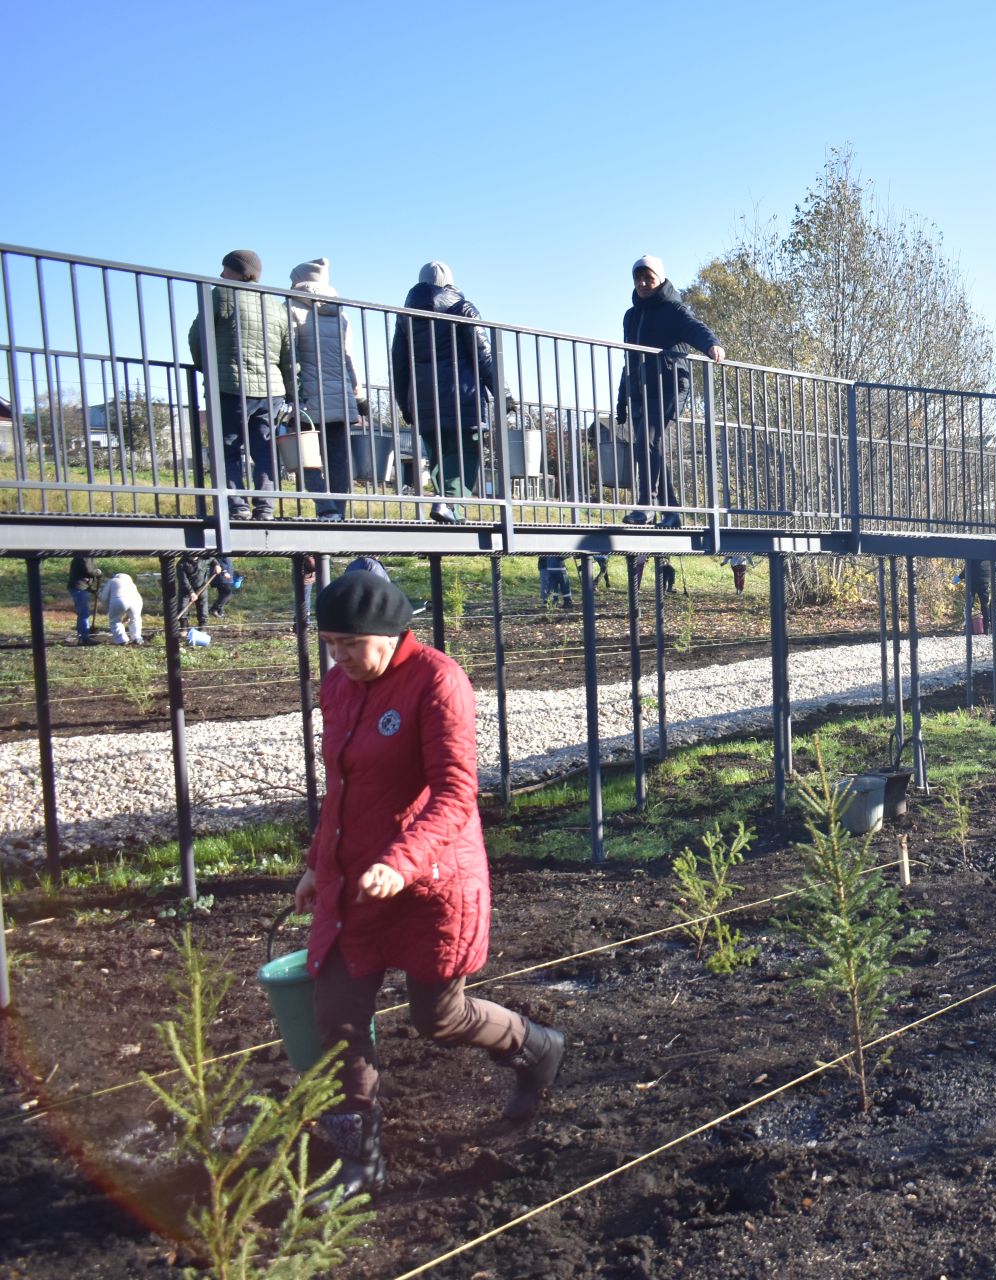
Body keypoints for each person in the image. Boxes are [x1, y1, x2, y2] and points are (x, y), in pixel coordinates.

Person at [297, 572, 566, 1201]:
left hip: (431, 881)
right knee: (337, 1015)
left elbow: (454, 792)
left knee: (437, 1017)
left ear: (390, 636)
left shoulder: (439, 681)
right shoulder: (337, 687)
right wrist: (317, 862)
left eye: (349, 643)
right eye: (330, 642)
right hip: (357, 882)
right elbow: (343, 787)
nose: (338, 657)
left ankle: (537, 1046)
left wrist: (403, 860)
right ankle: (357, 1164)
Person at [616, 256, 725, 528]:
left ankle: (646, 507)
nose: (642, 283)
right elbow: (629, 358)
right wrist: (622, 399)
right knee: (648, 447)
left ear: (660, 279)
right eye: (638, 278)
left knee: (645, 443)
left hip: (669, 385)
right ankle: (672, 511)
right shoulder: (631, 316)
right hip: (640, 388)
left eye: (648, 278)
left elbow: (694, 328)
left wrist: (712, 344)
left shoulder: (673, 309)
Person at [188, 249, 295, 521]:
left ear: (235, 270)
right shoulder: (275, 305)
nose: (220, 274)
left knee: (227, 449)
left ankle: (236, 506)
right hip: (272, 391)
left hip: (229, 387)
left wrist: (207, 368)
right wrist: (292, 391)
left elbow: (197, 337)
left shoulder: (221, 294)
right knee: (265, 449)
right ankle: (266, 508)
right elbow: (288, 354)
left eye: (224, 269)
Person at [393, 262, 501, 525]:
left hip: (423, 399)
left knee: (439, 457)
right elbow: (483, 354)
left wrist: (404, 404)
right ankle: (449, 503)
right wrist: (502, 392)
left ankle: (452, 513)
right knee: (467, 454)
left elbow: (398, 362)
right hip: (462, 397)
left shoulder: (405, 316)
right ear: (450, 284)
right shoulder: (462, 309)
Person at [288, 258, 367, 521]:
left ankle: (325, 507)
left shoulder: (291, 309)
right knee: (339, 461)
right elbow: (349, 358)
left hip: (308, 399)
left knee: (303, 456)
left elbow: (289, 356)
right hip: (341, 397)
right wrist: (359, 396)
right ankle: (338, 515)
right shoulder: (340, 315)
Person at [98, 573, 144, 646]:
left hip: (119, 600)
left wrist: (106, 608)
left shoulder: (112, 581)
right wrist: (129, 616)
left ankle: (121, 639)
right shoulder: (132, 584)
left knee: (115, 620)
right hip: (136, 602)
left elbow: (104, 598)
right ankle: (137, 638)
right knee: (135, 619)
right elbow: (139, 600)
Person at [67, 554, 101, 643]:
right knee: (84, 613)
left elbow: (81, 575)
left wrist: (92, 590)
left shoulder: (87, 555)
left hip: (80, 587)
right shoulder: (84, 555)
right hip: (78, 588)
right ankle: (84, 638)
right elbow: (88, 571)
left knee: (82, 613)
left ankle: (82, 636)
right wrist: (97, 572)